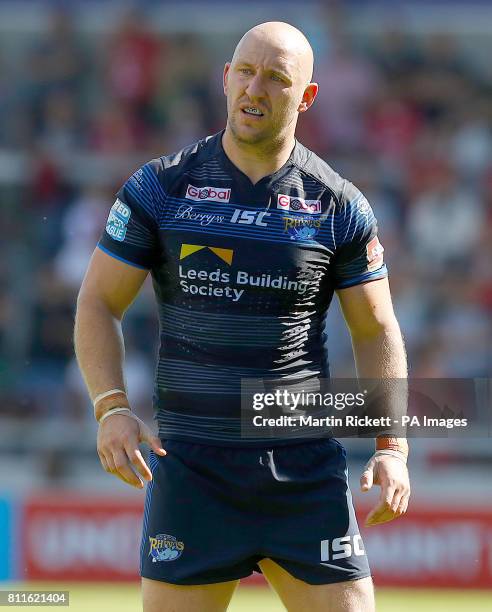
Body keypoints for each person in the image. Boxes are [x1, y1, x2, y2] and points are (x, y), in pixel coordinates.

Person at [74, 21, 410, 612]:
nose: (256, 88)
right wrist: (111, 407)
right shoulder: (159, 188)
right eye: (246, 72)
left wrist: (392, 446)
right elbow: (98, 302)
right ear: (226, 80)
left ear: (306, 97)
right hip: (191, 470)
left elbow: (376, 328)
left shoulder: (338, 205)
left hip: (303, 470)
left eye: (278, 78)